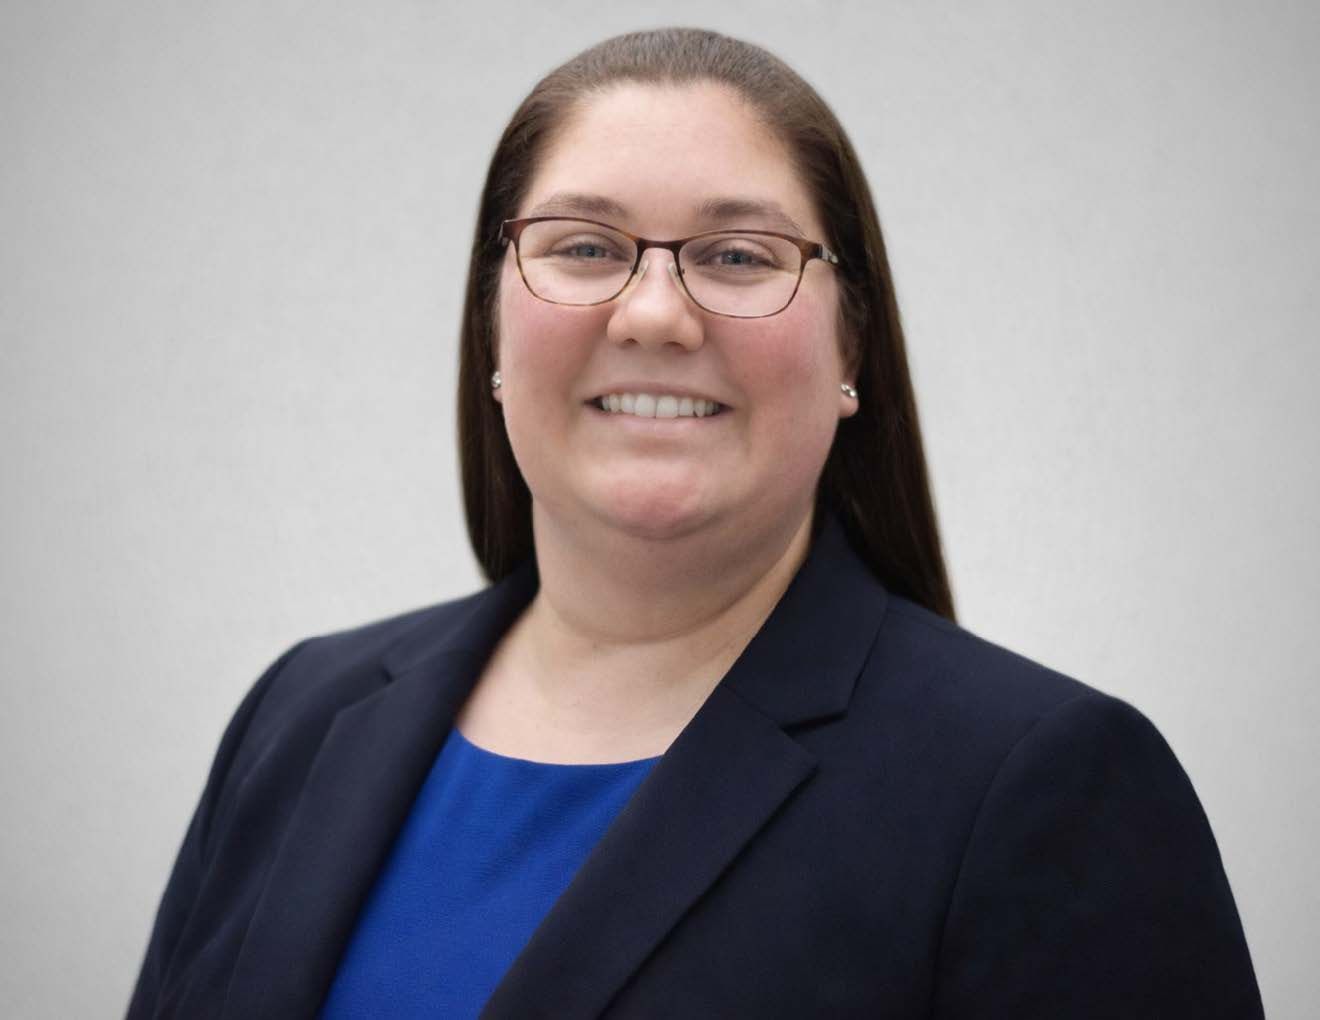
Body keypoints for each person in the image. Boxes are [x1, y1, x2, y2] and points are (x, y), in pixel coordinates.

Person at [127, 27, 1264, 1019]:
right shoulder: (302, 714)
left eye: (737, 256)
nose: (656, 314)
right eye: (584, 246)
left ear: (851, 349)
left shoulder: (1045, 789)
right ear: (491, 333)